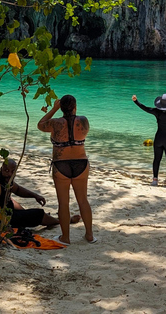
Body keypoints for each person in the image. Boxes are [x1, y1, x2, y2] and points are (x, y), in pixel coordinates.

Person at [37, 95, 95, 245]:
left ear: (61, 107)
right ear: (75, 106)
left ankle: (66, 238)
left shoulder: (55, 123)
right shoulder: (84, 121)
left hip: (61, 164)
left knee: (63, 203)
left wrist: (54, 109)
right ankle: (89, 235)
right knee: (83, 200)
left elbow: (40, 124)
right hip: (81, 163)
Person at [0, 159, 81, 231]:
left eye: (12, 171)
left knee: (12, 201)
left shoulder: (7, 181)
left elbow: (18, 190)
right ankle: (64, 221)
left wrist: (35, 196)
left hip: (0, 213)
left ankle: (30, 216)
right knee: (38, 214)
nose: (9, 174)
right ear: (1, 169)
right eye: (6, 170)